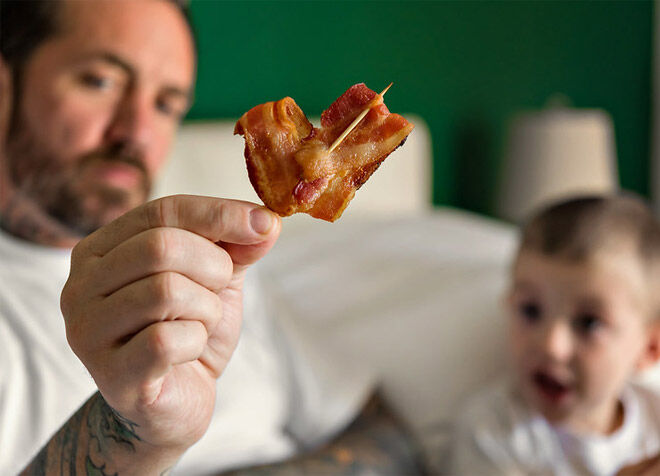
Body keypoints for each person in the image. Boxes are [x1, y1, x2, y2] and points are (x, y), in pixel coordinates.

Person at [0, 0, 421, 474]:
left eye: (166, 104)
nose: (137, 131)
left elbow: (385, 438)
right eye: (100, 81)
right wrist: (140, 436)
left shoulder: (224, 266)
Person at [452, 194, 660, 475]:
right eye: (530, 310)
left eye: (589, 323)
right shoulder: (491, 430)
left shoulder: (654, 419)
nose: (552, 346)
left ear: (650, 348)